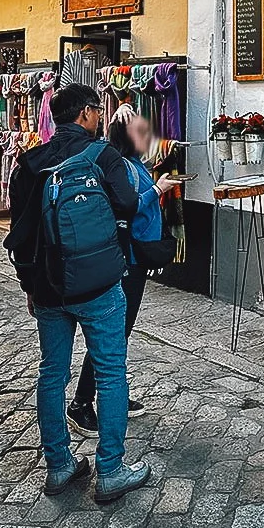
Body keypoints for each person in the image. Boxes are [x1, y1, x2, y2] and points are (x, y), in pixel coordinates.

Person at [4, 83, 149, 502]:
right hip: (99, 283)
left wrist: (28, 286)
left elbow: (22, 231)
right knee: (111, 371)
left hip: (48, 286)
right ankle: (111, 470)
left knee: (52, 373)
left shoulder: (29, 162)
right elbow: (127, 205)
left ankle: (60, 465)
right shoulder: (102, 155)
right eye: (96, 111)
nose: (100, 117)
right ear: (86, 113)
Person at [67, 105, 184, 436]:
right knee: (113, 333)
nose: (146, 135)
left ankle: (112, 396)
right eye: (139, 131)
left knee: (119, 333)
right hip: (127, 261)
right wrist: (158, 190)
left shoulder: (132, 164)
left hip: (134, 259)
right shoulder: (120, 166)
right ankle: (80, 403)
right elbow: (127, 206)